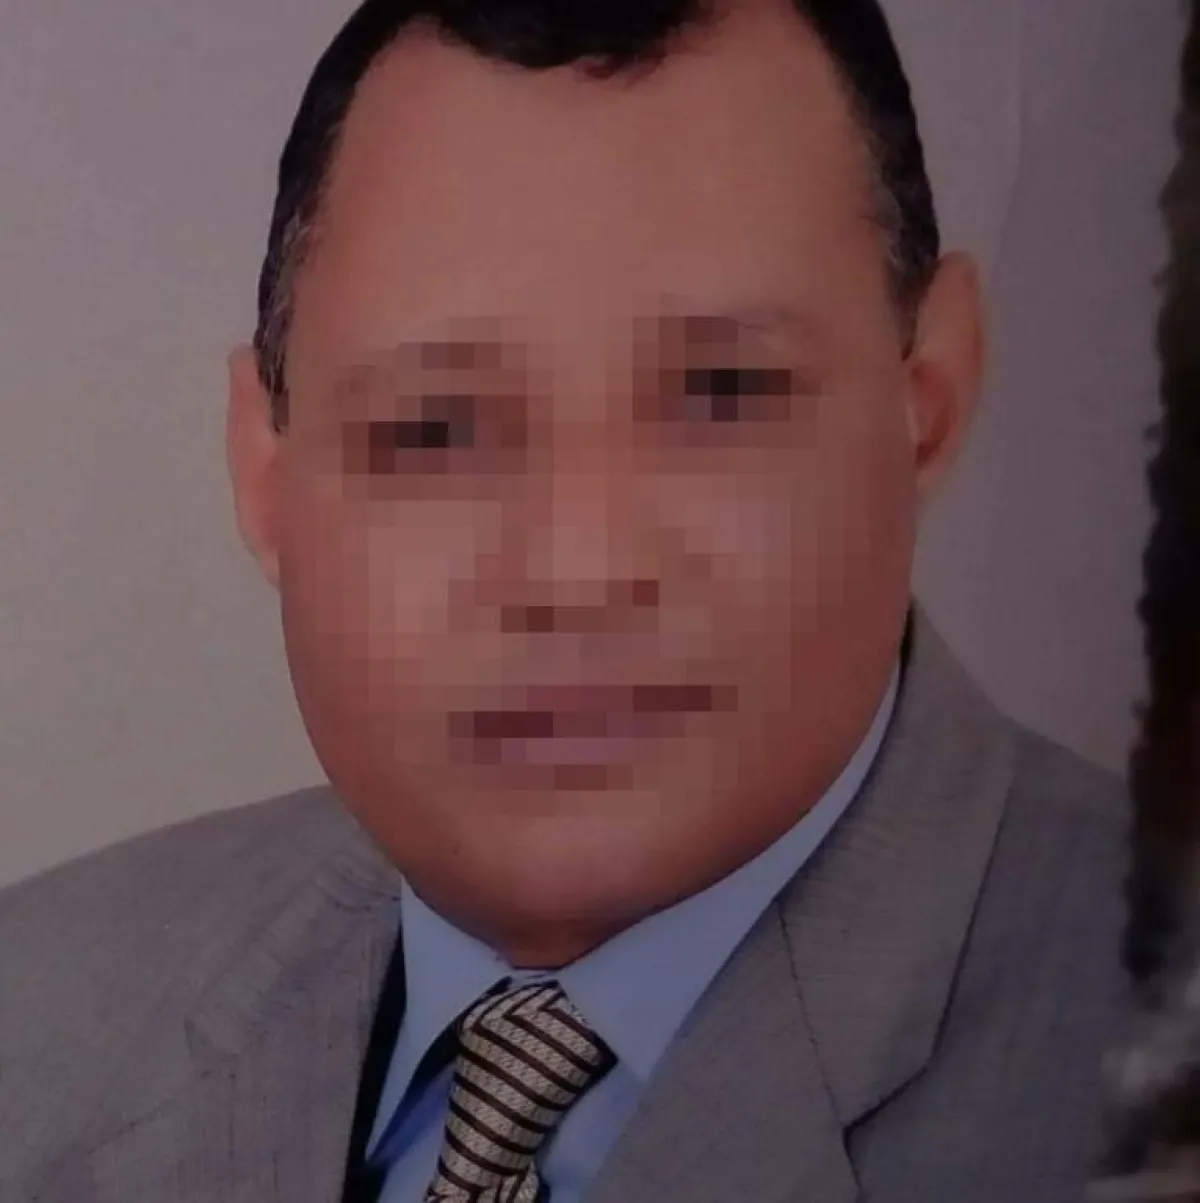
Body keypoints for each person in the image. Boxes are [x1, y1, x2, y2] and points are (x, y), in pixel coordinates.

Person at [0, 1, 1131, 1200]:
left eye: (723, 396)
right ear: (267, 479)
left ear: (927, 409)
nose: (577, 574)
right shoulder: (36, 999)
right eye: (435, 428)